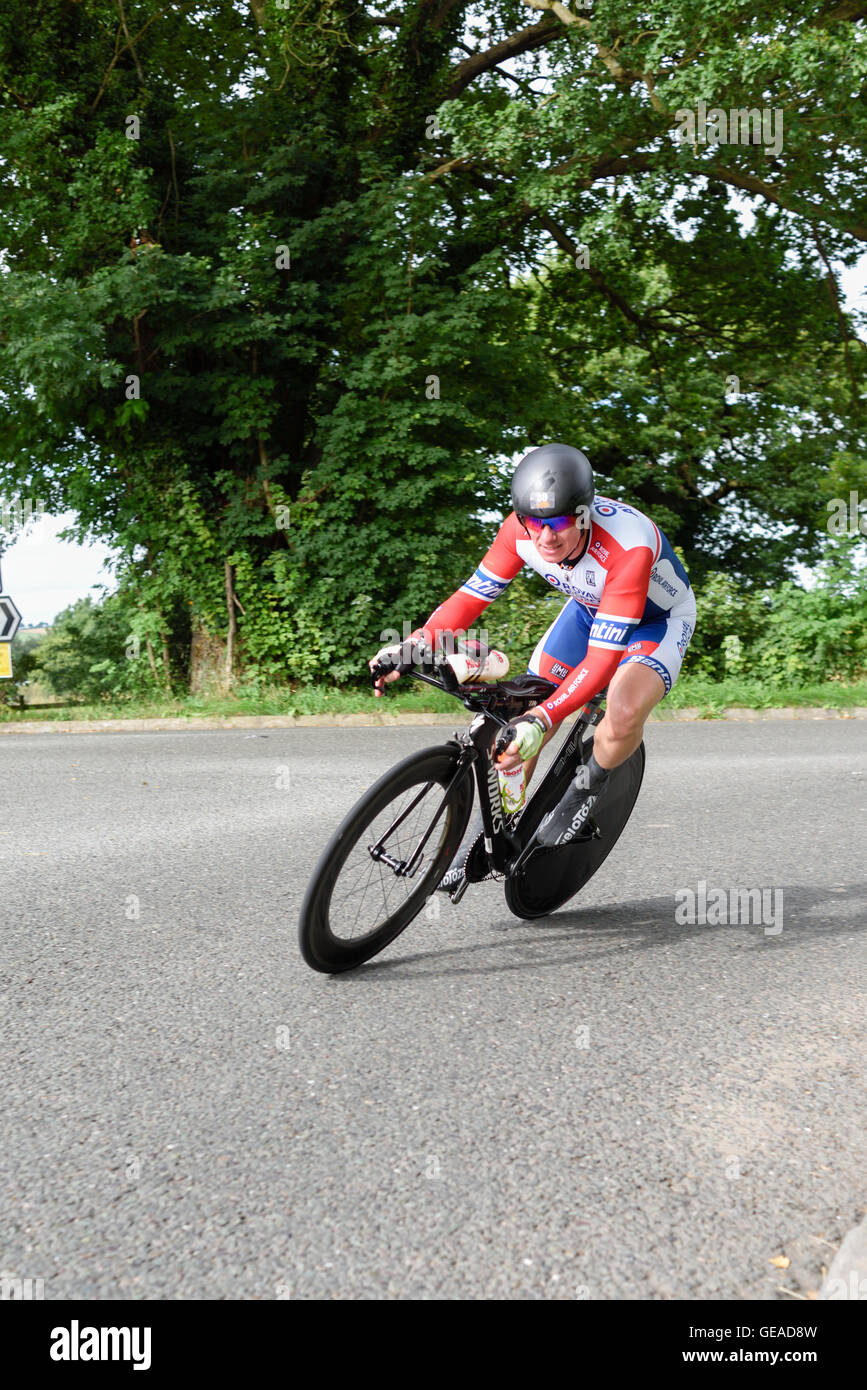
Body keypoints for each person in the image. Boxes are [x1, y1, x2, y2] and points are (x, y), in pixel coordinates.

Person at [370, 443, 697, 889]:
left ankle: (586, 790)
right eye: (534, 522)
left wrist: (545, 719)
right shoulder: (518, 530)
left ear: (585, 513)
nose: (546, 538)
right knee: (517, 717)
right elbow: (470, 598)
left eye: (560, 522)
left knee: (619, 710)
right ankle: (500, 834)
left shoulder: (628, 546)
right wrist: (411, 646)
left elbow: (602, 660)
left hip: (655, 622)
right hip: (587, 612)